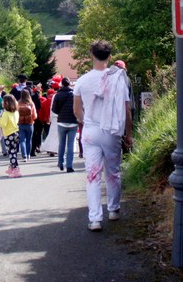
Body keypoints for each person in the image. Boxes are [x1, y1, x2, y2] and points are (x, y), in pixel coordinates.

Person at [73, 40, 133, 232]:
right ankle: (114, 209)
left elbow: (77, 110)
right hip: (112, 131)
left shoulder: (82, 81)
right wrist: (128, 134)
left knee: (92, 175)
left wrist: (85, 121)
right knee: (113, 172)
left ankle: (95, 219)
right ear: (109, 57)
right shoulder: (118, 79)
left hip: (90, 130)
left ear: (92, 55)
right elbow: (127, 110)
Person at [52, 77, 77, 173]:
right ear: (70, 84)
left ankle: (60, 163)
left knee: (61, 143)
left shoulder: (58, 95)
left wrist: (60, 113)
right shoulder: (74, 94)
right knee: (70, 145)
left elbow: (54, 109)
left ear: (61, 84)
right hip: (73, 122)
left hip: (61, 122)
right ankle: (69, 166)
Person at [0, 94, 21, 178]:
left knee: (11, 152)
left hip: (8, 134)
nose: (2, 102)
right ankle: (13, 168)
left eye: (3, 101)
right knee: (14, 152)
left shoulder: (6, 113)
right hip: (16, 132)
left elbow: (3, 124)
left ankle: (14, 169)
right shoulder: (16, 112)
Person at [17, 89, 37, 162]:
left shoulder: (18, 103)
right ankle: (28, 155)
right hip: (30, 124)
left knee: (22, 140)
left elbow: (16, 114)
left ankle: (24, 155)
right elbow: (35, 116)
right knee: (29, 140)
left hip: (21, 124)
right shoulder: (31, 104)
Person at [39, 88, 58, 157]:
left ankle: (49, 149)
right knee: (55, 136)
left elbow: (41, 113)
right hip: (55, 120)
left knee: (48, 135)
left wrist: (41, 120)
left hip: (46, 121)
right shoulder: (56, 101)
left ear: (47, 94)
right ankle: (55, 149)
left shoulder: (44, 102)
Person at [30, 82, 45, 156]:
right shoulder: (40, 100)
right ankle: (37, 146)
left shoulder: (31, 99)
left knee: (34, 134)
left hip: (33, 118)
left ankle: (33, 149)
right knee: (38, 134)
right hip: (39, 118)